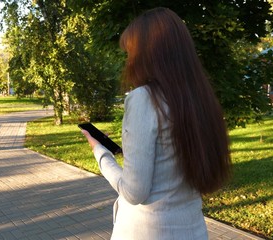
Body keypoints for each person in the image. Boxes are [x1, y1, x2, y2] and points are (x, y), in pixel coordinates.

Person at [81, 7, 231, 240]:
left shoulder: (143, 98)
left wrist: (100, 152)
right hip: (193, 231)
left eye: (130, 53)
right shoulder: (199, 99)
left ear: (148, 55)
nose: (129, 61)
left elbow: (134, 192)